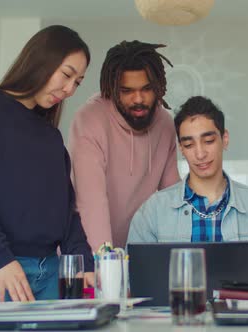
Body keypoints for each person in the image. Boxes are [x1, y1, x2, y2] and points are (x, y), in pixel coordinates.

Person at [0, 25, 94, 307]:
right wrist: (1, 259)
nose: (70, 89)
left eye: (78, 82)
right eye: (67, 74)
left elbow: (66, 213)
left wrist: (85, 263)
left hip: (51, 275)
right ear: (41, 60)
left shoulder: (51, 137)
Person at [127, 96, 248, 286]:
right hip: (176, 313)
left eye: (208, 141)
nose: (200, 154)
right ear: (181, 148)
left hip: (238, 314)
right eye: (189, 145)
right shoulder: (153, 210)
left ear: (225, 139)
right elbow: (134, 278)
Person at [68, 40, 180, 251]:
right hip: (88, 255)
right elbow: (92, 203)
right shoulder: (90, 119)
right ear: (112, 89)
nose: (138, 99)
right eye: (127, 91)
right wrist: (106, 266)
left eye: (146, 89)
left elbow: (172, 197)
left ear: (158, 87)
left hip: (135, 254)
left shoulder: (164, 123)